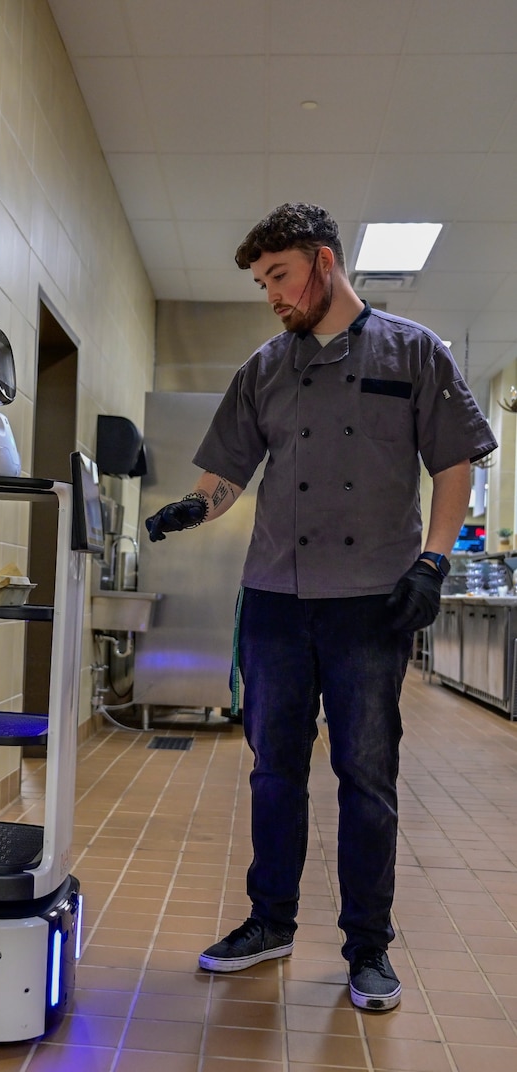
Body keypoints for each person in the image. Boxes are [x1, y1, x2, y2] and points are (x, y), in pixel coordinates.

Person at [145, 203, 497, 1011]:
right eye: (261, 280)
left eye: (279, 275)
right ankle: (270, 922)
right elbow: (227, 476)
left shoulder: (414, 352)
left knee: (366, 777)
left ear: (325, 262)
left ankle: (368, 949)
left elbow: (453, 466)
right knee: (273, 772)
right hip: (274, 600)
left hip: (370, 604)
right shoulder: (263, 368)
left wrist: (435, 563)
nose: (270, 294)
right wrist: (190, 509)